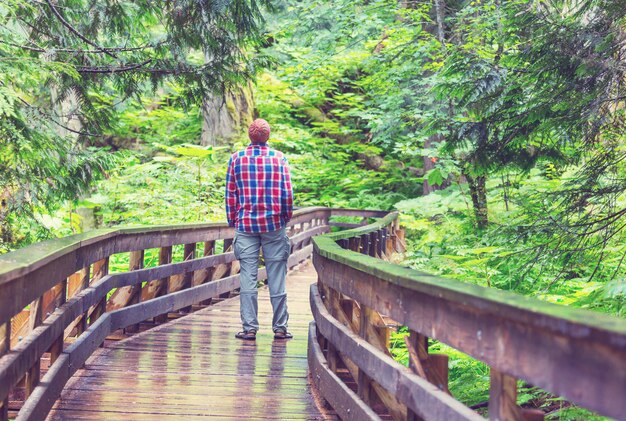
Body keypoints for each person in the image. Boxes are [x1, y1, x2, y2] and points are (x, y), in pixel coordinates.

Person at [225, 118, 294, 341]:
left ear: (249, 135)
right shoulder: (279, 158)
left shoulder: (236, 159)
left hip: (246, 225)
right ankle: (280, 327)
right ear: (268, 136)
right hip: (274, 224)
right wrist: (285, 218)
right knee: (277, 275)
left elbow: (230, 194)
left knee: (248, 276)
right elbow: (287, 194)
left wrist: (233, 220)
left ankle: (249, 328)